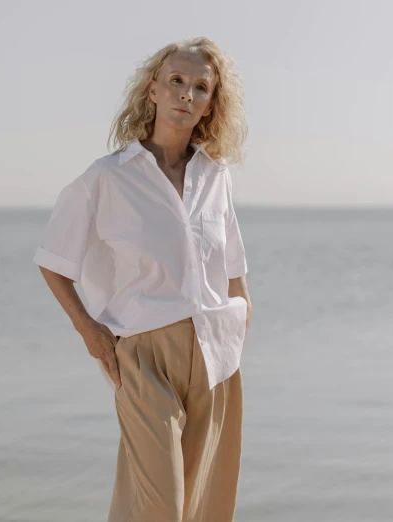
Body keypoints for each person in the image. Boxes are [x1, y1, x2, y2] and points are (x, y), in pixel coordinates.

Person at [32, 36, 253, 522]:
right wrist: (89, 331)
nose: (186, 95)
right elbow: (53, 259)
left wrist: (239, 320)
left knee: (207, 506)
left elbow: (234, 268)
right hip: (145, 356)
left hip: (217, 351)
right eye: (176, 81)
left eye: (200, 87)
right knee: (160, 507)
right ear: (151, 91)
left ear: (210, 104)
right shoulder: (107, 178)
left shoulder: (216, 176)